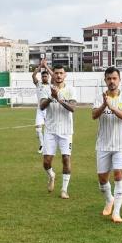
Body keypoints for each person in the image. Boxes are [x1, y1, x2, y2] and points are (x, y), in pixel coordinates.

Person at [92, 67, 122, 223]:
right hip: (103, 144)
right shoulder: (99, 97)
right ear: (105, 81)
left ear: (119, 80)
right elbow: (93, 116)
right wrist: (103, 105)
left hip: (120, 145)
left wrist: (112, 107)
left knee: (119, 175)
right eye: (109, 79)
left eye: (114, 78)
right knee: (102, 179)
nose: (112, 81)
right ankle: (109, 200)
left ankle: (116, 212)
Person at [39, 64, 77, 199]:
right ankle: (51, 175)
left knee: (66, 159)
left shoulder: (71, 90)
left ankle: (64, 190)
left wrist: (59, 99)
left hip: (66, 131)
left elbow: (72, 108)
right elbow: (42, 107)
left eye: (61, 73)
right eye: (56, 73)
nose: (59, 75)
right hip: (50, 130)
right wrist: (51, 97)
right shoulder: (46, 89)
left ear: (65, 75)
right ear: (52, 75)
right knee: (46, 162)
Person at [32, 59, 53, 153]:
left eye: (46, 76)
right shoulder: (38, 84)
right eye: (43, 76)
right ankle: (42, 144)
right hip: (40, 109)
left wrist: (46, 66)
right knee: (38, 129)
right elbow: (33, 75)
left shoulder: (51, 85)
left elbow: (54, 76)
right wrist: (41, 66)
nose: (44, 77)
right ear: (41, 77)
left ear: (48, 77)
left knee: (49, 129)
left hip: (49, 109)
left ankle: (48, 145)